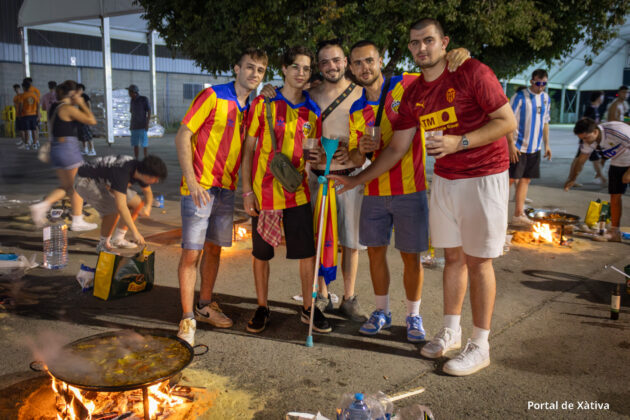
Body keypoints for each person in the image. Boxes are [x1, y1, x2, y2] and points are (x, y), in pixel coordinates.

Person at [331, 18, 516, 376]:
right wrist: (358, 179)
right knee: (453, 259)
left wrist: (459, 142)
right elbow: (396, 148)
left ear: (444, 42)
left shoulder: (471, 71)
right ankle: (451, 331)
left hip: (484, 174)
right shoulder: (415, 93)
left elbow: (506, 120)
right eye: (415, 43)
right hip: (445, 178)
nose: (421, 48)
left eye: (429, 40)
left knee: (479, 261)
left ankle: (480, 345)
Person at [261, 39, 368, 322]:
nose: (332, 66)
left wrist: (354, 151)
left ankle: (349, 297)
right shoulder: (310, 94)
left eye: (337, 60)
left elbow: (367, 136)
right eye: (325, 62)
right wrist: (268, 88)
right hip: (316, 179)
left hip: (349, 178)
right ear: (319, 67)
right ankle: (322, 294)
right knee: (319, 239)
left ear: (345, 62)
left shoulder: (362, 93)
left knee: (351, 242)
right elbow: (285, 95)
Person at [174, 48, 268, 346]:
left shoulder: (252, 107)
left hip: (225, 189)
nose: (254, 74)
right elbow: (183, 135)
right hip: (200, 187)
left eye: (261, 70)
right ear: (237, 68)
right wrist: (191, 181)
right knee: (192, 253)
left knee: (214, 250)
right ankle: (187, 318)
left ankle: (204, 306)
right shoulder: (213, 96)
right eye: (250, 67)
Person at [241, 46, 331, 334]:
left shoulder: (312, 111)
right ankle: (262, 307)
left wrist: (320, 158)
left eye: (306, 68)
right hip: (264, 193)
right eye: (296, 67)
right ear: (283, 69)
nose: (301, 73)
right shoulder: (264, 102)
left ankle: (308, 308)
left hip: (298, 192)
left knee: (306, 254)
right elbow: (248, 150)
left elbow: (315, 154)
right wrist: (247, 191)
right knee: (261, 254)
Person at [29, 80, 98, 232]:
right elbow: (92, 120)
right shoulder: (67, 108)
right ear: (72, 94)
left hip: (57, 149)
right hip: (68, 149)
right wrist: (82, 103)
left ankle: (41, 206)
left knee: (67, 187)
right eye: (77, 94)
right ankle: (77, 221)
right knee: (79, 185)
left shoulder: (54, 107)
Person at [73, 154, 167, 253]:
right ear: (147, 175)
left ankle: (118, 239)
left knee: (137, 203)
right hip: (86, 180)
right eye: (156, 178)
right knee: (112, 211)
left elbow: (148, 192)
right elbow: (121, 207)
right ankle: (103, 245)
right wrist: (135, 233)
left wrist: (147, 207)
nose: (157, 181)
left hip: (105, 180)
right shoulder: (122, 173)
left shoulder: (139, 169)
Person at [564, 118, 630, 242]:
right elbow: (581, 160)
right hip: (618, 162)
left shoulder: (616, 131)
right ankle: (615, 232)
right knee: (615, 195)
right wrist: (573, 178)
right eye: (582, 138)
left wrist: (629, 172)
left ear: (595, 132)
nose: (585, 141)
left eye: (586, 138)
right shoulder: (588, 140)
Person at [507, 69, 552, 226]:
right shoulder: (520, 97)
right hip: (518, 146)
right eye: (538, 83)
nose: (541, 86)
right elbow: (508, 121)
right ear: (532, 81)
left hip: (535, 147)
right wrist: (510, 144)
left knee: (526, 180)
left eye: (544, 83)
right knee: (510, 180)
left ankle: (518, 214)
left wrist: (547, 144)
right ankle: (497, 213)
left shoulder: (546, 98)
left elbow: (545, 122)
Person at [579, 91, 607, 185]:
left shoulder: (595, 109)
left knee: (593, 159)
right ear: (599, 97)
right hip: (588, 139)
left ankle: (602, 179)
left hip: (591, 138)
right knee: (592, 160)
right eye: (602, 97)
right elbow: (583, 121)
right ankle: (603, 179)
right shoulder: (590, 109)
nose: (603, 99)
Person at [128, 84, 151, 158]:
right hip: (134, 126)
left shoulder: (144, 99)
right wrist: (131, 125)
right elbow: (132, 112)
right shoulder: (132, 100)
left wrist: (147, 124)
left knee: (144, 144)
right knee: (135, 144)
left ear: (134, 92)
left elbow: (149, 111)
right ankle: (136, 159)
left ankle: (145, 158)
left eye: (129, 92)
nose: (129, 94)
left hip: (142, 125)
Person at [18, 79, 40, 150]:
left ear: (23, 87)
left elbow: (21, 106)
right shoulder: (34, 95)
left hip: (25, 115)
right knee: (34, 130)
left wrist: (19, 114)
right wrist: (38, 114)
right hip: (33, 115)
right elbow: (38, 105)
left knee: (26, 130)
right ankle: (34, 144)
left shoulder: (22, 95)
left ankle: (27, 145)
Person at [77, 84, 96, 156]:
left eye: (80, 89)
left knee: (88, 133)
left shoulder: (85, 96)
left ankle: (92, 150)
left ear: (83, 90)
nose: (78, 90)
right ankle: (85, 149)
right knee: (82, 134)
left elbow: (88, 104)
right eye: (77, 89)